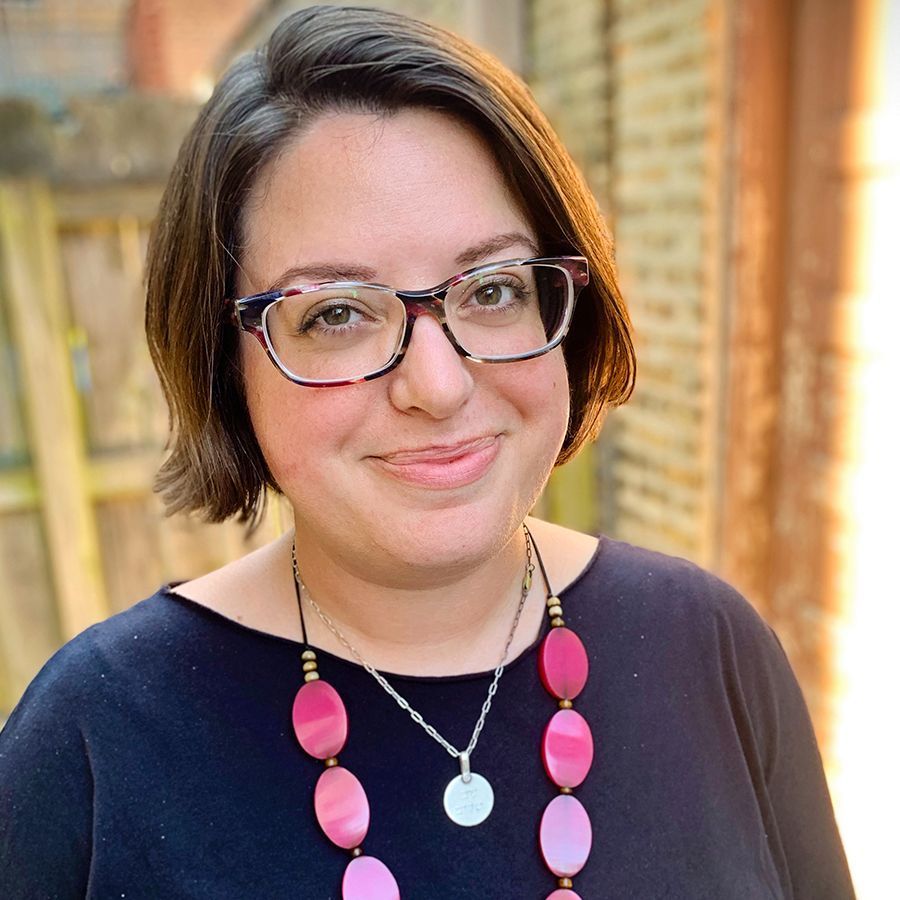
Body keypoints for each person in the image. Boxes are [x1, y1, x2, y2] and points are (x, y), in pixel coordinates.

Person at [0, 6, 854, 899]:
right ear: (226, 364)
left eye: (491, 288)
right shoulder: (91, 743)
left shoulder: (712, 652)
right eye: (335, 313)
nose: (438, 386)